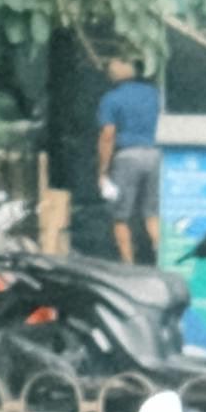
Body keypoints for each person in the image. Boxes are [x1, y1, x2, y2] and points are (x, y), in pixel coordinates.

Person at [89, 63, 167, 270]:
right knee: (152, 213)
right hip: (155, 155)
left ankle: (128, 266)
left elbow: (108, 135)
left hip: (127, 157)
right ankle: (163, 261)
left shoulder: (111, 99)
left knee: (120, 216)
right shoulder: (154, 94)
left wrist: (103, 170)